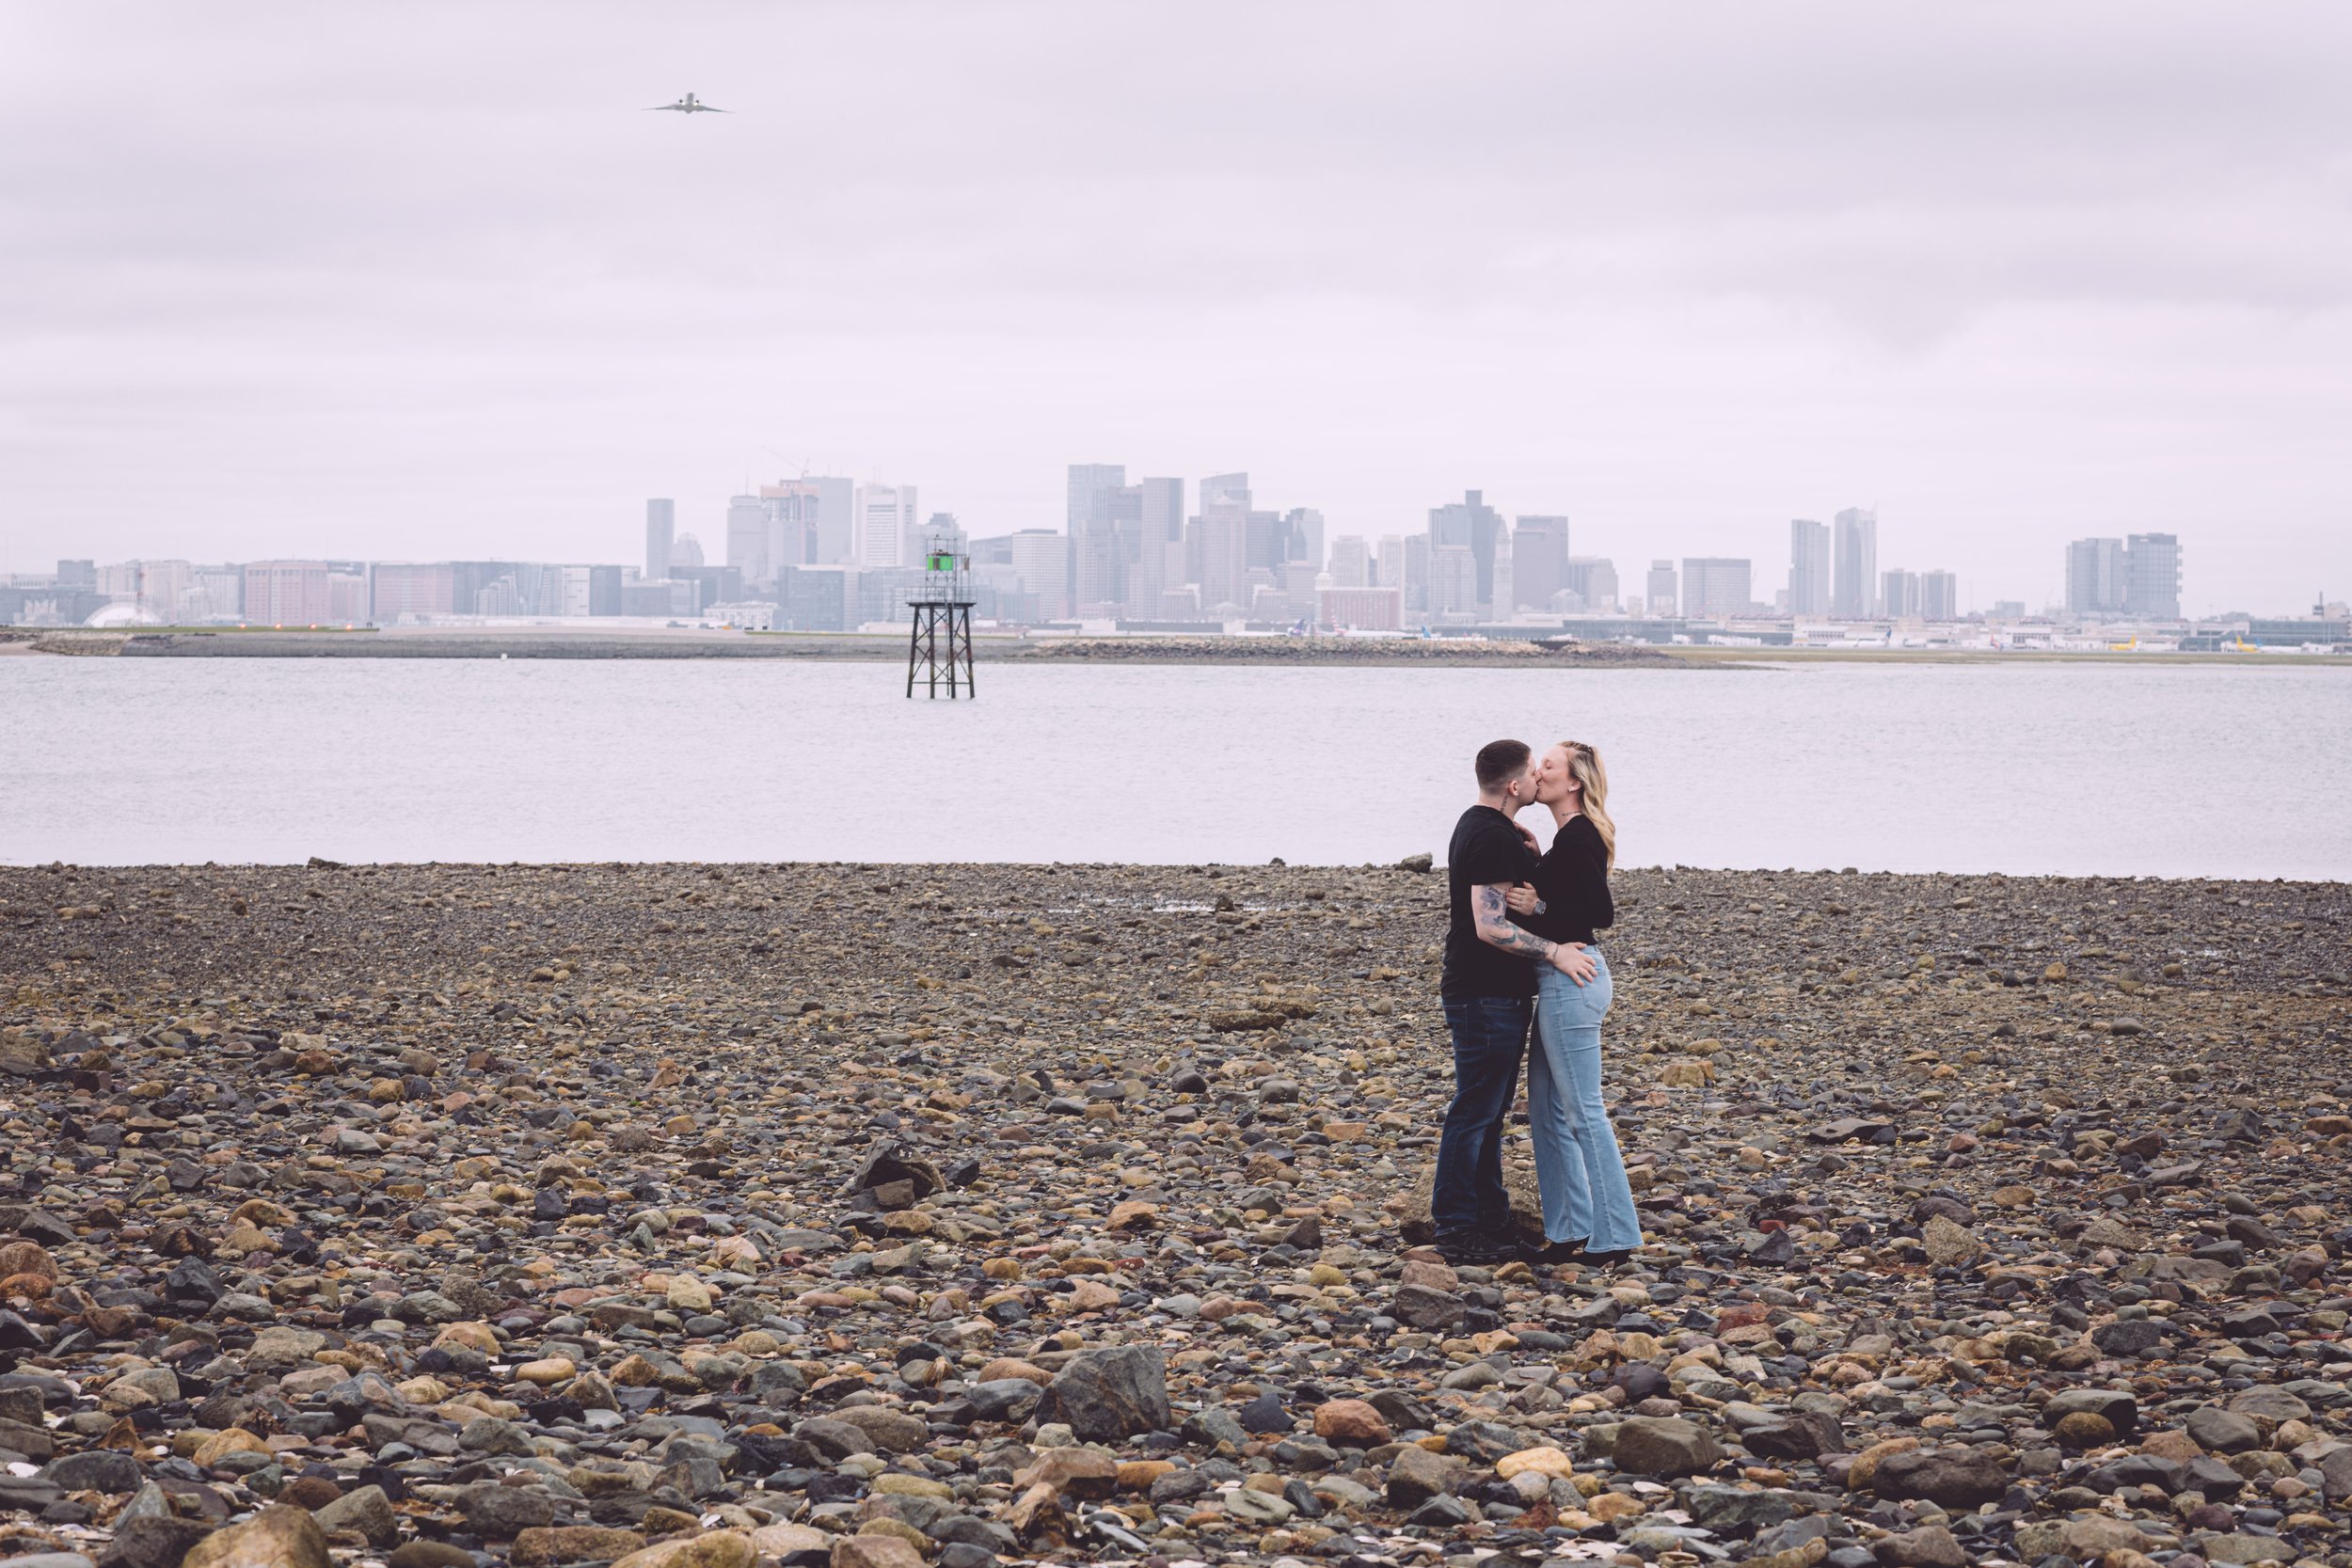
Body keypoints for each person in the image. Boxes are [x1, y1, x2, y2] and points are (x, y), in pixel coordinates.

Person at [1435, 738, 1597, 1265]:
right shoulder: (1489, 835)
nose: (1537, 777)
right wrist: (1554, 952)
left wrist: (1529, 855)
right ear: (1513, 786)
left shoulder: (1487, 827)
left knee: (1490, 1110)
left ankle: (1492, 1219)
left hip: (1495, 993)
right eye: (1532, 771)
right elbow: (1490, 926)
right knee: (1475, 1110)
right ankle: (1457, 1224)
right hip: (1483, 994)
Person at [1503, 739, 1642, 1265]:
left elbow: (1597, 913)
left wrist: (1538, 902)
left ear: (1574, 782)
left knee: (1583, 1113)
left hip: (1574, 983)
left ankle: (1616, 1236)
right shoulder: (1565, 840)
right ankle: (1569, 1231)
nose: (1539, 770)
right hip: (1563, 982)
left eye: (1549, 765)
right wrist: (1539, 867)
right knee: (1546, 1111)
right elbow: (1569, 900)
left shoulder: (1581, 834)